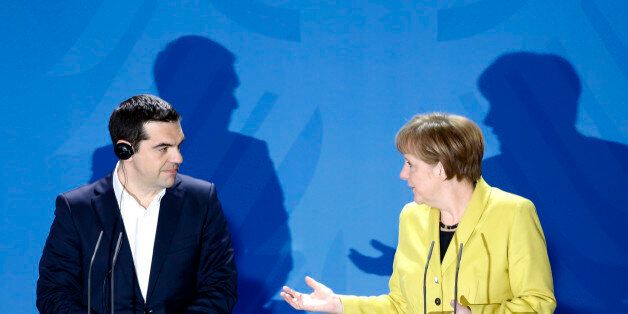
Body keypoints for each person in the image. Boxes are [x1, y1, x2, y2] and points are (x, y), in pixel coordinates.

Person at [280, 113, 556, 313]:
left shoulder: (514, 213)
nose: (402, 175)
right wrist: (339, 305)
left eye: (410, 165)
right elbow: (400, 305)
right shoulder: (410, 217)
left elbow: (538, 302)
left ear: (442, 168)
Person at [37, 94, 237, 313]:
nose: (178, 158)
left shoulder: (201, 199)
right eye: (163, 148)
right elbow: (55, 292)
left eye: (178, 146)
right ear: (126, 150)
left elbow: (220, 286)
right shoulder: (77, 209)